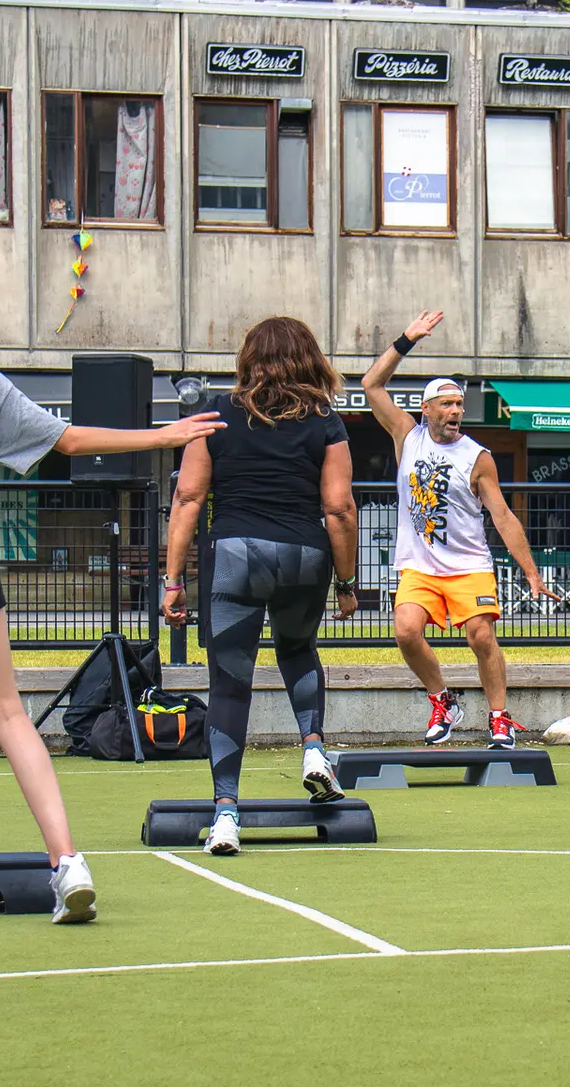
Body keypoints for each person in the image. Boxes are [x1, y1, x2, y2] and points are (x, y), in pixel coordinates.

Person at [0, 246, 224, 922]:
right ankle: (68, 865)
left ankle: (68, 865)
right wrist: (163, 436)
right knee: (7, 712)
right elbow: (67, 441)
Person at [162, 316, 357, 856]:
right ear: (309, 358)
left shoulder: (216, 417)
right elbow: (339, 508)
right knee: (298, 650)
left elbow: (188, 499)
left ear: (249, 357)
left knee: (229, 683)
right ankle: (314, 749)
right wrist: (347, 582)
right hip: (303, 554)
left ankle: (226, 814)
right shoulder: (326, 422)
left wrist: (172, 579)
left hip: (235, 555)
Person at [361, 311, 559, 748]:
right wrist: (406, 339)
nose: (455, 411)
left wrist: (531, 572)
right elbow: (371, 385)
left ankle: (499, 717)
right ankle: (443, 701)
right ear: (426, 409)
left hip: (468, 564)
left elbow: (504, 516)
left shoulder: (477, 456)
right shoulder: (407, 437)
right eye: (446, 404)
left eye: (459, 405)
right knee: (406, 630)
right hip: (420, 566)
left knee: (481, 635)